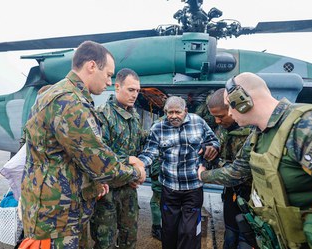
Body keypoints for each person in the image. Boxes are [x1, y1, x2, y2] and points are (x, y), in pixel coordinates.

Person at [198, 72, 312, 248]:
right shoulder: (259, 136)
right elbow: (238, 170)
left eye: (229, 106)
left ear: (242, 101)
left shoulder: (308, 128)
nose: (230, 113)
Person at [20, 41, 146, 248]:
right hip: (57, 221)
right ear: (91, 66)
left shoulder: (61, 94)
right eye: (108, 74)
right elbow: (101, 164)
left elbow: (70, 156)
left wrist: (94, 182)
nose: (108, 82)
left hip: (55, 212)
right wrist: (137, 173)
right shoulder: (70, 102)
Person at [138, 96, 220, 249]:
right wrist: (139, 165)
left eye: (178, 112)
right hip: (170, 188)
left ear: (186, 111)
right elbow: (150, 152)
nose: (174, 116)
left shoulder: (198, 122)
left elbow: (214, 140)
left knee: (189, 232)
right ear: (165, 112)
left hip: (193, 188)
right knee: (169, 231)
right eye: (170, 112)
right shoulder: (158, 128)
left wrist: (213, 147)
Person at [90, 68, 144, 249]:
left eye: (137, 91)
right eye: (131, 90)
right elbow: (99, 154)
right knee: (105, 241)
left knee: (129, 238)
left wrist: (139, 171)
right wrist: (129, 159)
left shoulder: (134, 116)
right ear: (117, 87)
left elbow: (139, 146)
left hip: (128, 188)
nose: (135, 95)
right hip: (107, 190)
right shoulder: (102, 115)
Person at [206, 88, 254, 249]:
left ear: (232, 109)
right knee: (230, 235)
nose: (217, 121)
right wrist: (211, 146)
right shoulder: (223, 128)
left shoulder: (252, 133)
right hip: (230, 194)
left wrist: (215, 161)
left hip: (249, 197)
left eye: (220, 117)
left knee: (245, 240)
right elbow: (216, 140)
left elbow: (240, 172)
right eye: (214, 117)